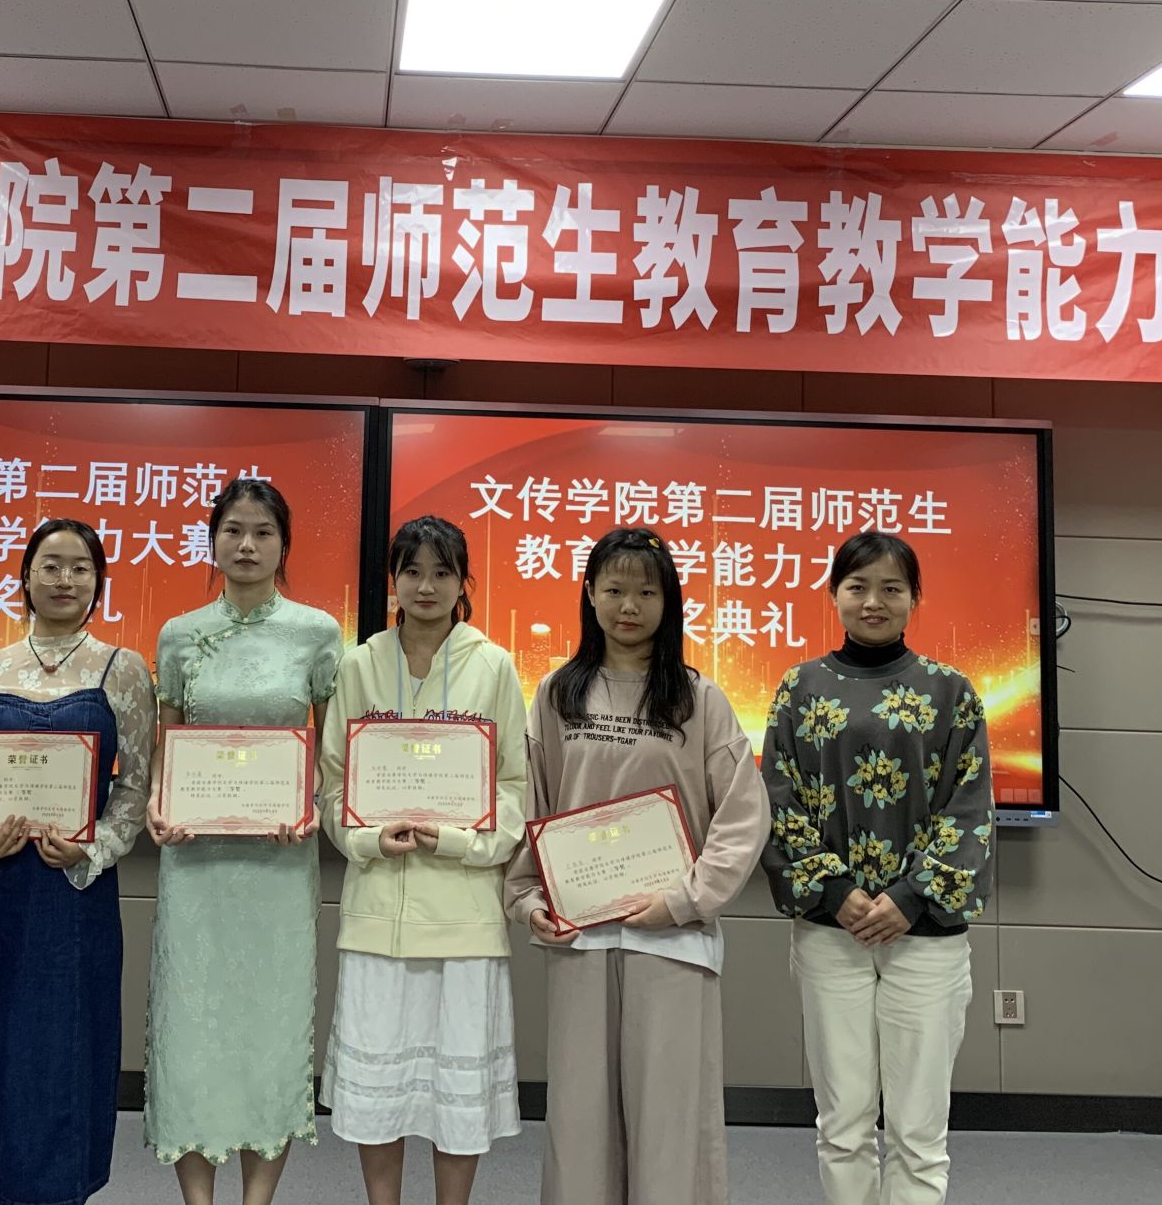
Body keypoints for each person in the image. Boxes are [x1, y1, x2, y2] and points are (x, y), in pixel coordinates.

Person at [504, 526, 770, 1205]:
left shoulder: (698, 698)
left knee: (670, 1121)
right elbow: (533, 804)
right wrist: (530, 903)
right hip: (582, 940)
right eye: (615, 589)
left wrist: (684, 900)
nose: (629, 605)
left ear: (668, 601)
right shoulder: (557, 694)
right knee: (580, 1121)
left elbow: (743, 816)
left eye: (647, 592)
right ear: (589, 594)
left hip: (671, 939)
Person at [760, 530, 994, 1205]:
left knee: (919, 1133)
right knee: (843, 1125)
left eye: (891, 588)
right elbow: (776, 798)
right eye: (857, 586)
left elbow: (969, 806)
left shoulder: (951, 691)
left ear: (915, 598)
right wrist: (835, 891)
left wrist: (911, 897)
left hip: (926, 936)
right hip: (830, 931)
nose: (873, 601)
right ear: (834, 594)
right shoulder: (800, 687)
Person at [0, 518, 156, 1205]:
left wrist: (92, 849)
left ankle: (63, 1191)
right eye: (51, 566)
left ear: (99, 582)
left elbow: (136, 787)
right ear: (25, 577)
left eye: (81, 568)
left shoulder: (124, 670)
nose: (65, 580)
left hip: (75, 893)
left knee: (66, 1047)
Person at [143, 479, 343, 1205]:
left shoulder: (318, 633)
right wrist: (158, 804)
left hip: (278, 864)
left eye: (263, 532)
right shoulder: (179, 634)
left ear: (284, 544)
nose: (248, 545)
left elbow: (331, 748)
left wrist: (313, 804)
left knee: (271, 1036)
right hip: (195, 863)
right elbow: (167, 741)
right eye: (233, 530)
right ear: (213, 541)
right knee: (190, 1036)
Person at [317, 516, 528, 1205]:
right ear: (394, 581)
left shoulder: (493, 666)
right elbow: (333, 782)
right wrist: (367, 839)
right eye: (412, 571)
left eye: (442, 572)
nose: (426, 586)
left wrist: (463, 841)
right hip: (377, 910)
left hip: (464, 916)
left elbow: (515, 785)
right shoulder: (359, 665)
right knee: (376, 1096)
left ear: (464, 582)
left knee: (457, 1100)